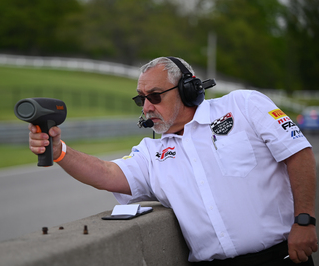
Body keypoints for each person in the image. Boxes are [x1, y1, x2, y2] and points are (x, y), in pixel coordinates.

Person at [28, 56, 317, 265]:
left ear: (188, 89)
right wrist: (59, 150)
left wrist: (304, 220)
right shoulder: (151, 153)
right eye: (141, 99)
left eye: (154, 96)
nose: (147, 107)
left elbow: (298, 154)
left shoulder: (243, 105)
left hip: (281, 256)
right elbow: (105, 172)